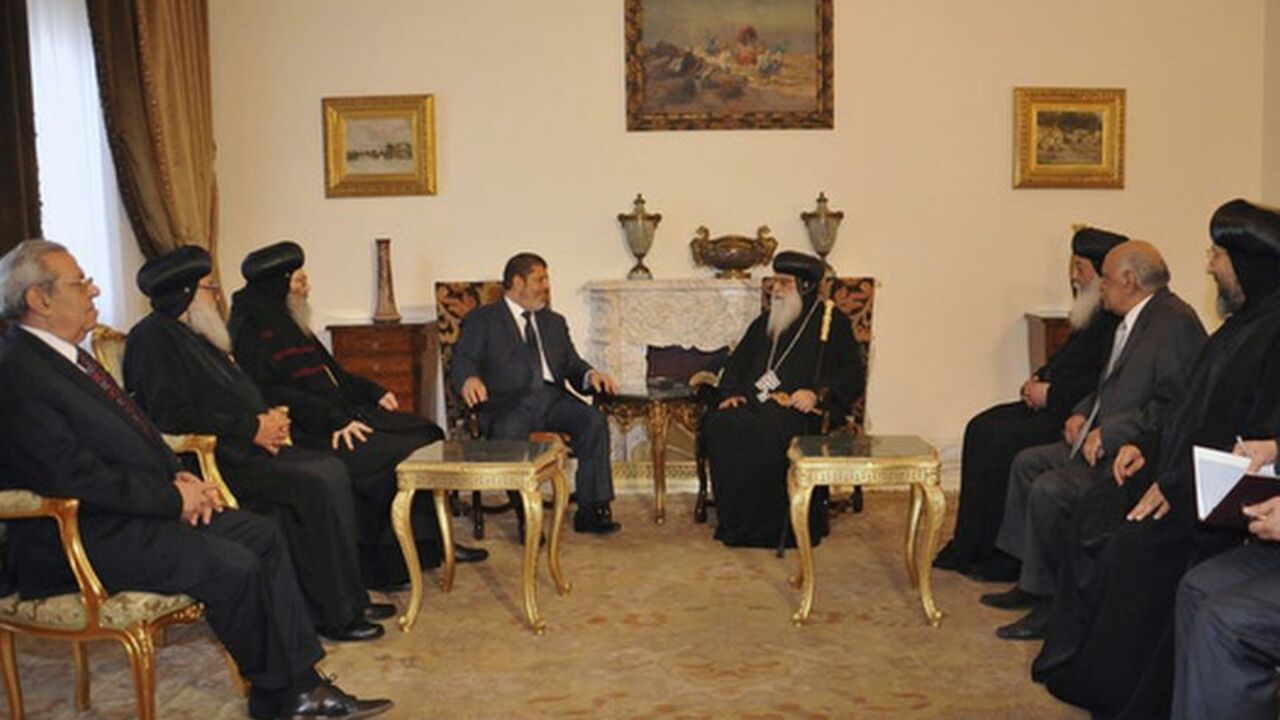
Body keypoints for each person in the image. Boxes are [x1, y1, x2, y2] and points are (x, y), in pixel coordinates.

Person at [0, 239, 391, 720]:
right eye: (80, 282)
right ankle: (283, 695)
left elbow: (140, 433)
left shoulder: (70, 358)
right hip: (79, 535)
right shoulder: (16, 369)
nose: (94, 289)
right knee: (233, 565)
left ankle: (299, 685)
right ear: (39, 300)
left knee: (261, 533)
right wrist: (170, 498)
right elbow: (70, 473)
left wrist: (183, 481)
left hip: (129, 515)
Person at [1033, 199, 1280, 719]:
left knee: (1130, 549)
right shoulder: (1242, 324)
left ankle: (1122, 691)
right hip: (1174, 472)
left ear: (1248, 260)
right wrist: (1143, 447)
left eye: (1217, 255)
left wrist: (1174, 484)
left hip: (1212, 500)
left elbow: (1250, 437)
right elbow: (1188, 407)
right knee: (1095, 511)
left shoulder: (1270, 332)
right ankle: (1077, 661)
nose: (1209, 265)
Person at [124, 246, 386, 642]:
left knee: (332, 468)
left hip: (248, 447)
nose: (217, 296)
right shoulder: (153, 339)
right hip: (216, 460)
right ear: (185, 293)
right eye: (209, 288)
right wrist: (250, 427)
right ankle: (333, 614)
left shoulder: (197, 334)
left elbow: (241, 391)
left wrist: (271, 419)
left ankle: (348, 598)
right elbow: (170, 415)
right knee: (319, 479)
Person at [982, 240, 1206, 640]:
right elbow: (1108, 384)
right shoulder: (1134, 318)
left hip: (1132, 455)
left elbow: (1176, 404)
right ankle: (1030, 579)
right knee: (1026, 462)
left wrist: (1115, 430)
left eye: (1105, 278)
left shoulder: (1174, 324)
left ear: (1130, 281)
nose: (1099, 286)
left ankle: (1051, 602)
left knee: (1051, 488)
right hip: (1096, 438)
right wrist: (1083, 411)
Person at [227, 241, 485, 587]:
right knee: (394, 455)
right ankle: (385, 564)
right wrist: (334, 419)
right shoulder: (251, 326)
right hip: (312, 429)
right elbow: (272, 393)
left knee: (428, 435)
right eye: (299, 281)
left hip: (345, 415)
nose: (307, 287)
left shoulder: (289, 320)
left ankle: (434, 544)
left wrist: (374, 391)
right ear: (278, 282)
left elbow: (335, 374)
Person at [934, 226, 1125, 581]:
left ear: (1102, 275)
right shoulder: (1089, 313)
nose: (1073, 276)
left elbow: (1100, 383)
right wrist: (1038, 378)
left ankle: (1005, 554)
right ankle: (972, 543)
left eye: (1080, 268)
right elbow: (1067, 360)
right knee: (981, 427)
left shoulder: (1117, 321)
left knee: (1004, 442)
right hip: (1053, 404)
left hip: (1073, 414)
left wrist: (1051, 393)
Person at [701, 251, 866, 548]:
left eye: (783, 282)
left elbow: (852, 372)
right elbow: (737, 363)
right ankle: (737, 522)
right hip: (754, 404)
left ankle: (778, 526)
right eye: (774, 281)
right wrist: (732, 393)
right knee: (721, 424)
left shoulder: (831, 322)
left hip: (802, 410)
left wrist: (818, 394)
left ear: (804, 286)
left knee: (769, 429)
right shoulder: (765, 322)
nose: (774, 288)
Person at [450, 251, 622, 534]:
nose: (545, 286)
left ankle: (592, 510)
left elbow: (571, 364)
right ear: (517, 282)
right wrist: (469, 379)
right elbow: (463, 360)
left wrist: (592, 375)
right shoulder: (483, 319)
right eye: (539, 279)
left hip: (553, 399)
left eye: (546, 279)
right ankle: (526, 516)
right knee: (509, 430)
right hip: (508, 402)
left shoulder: (553, 322)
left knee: (593, 420)